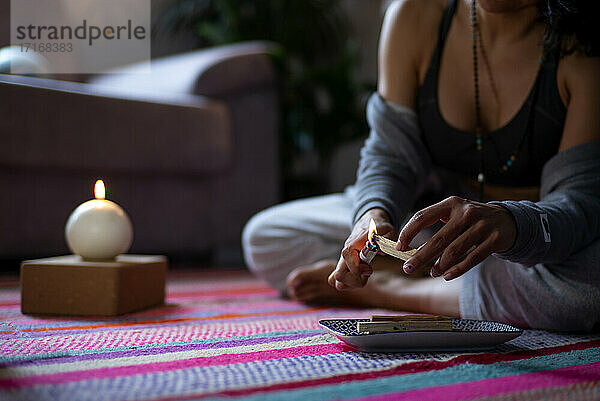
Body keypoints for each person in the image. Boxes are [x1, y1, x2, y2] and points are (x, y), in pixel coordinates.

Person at [243, 0, 600, 331]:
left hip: (536, 236)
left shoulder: (583, 48)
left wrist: (512, 225)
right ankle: (449, 274)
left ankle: (390, 291)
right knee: (267, 237)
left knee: (589, 291)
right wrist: (372, 216)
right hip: (429, 222)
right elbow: (391, 155)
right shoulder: (415, 15)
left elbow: (581, 205)